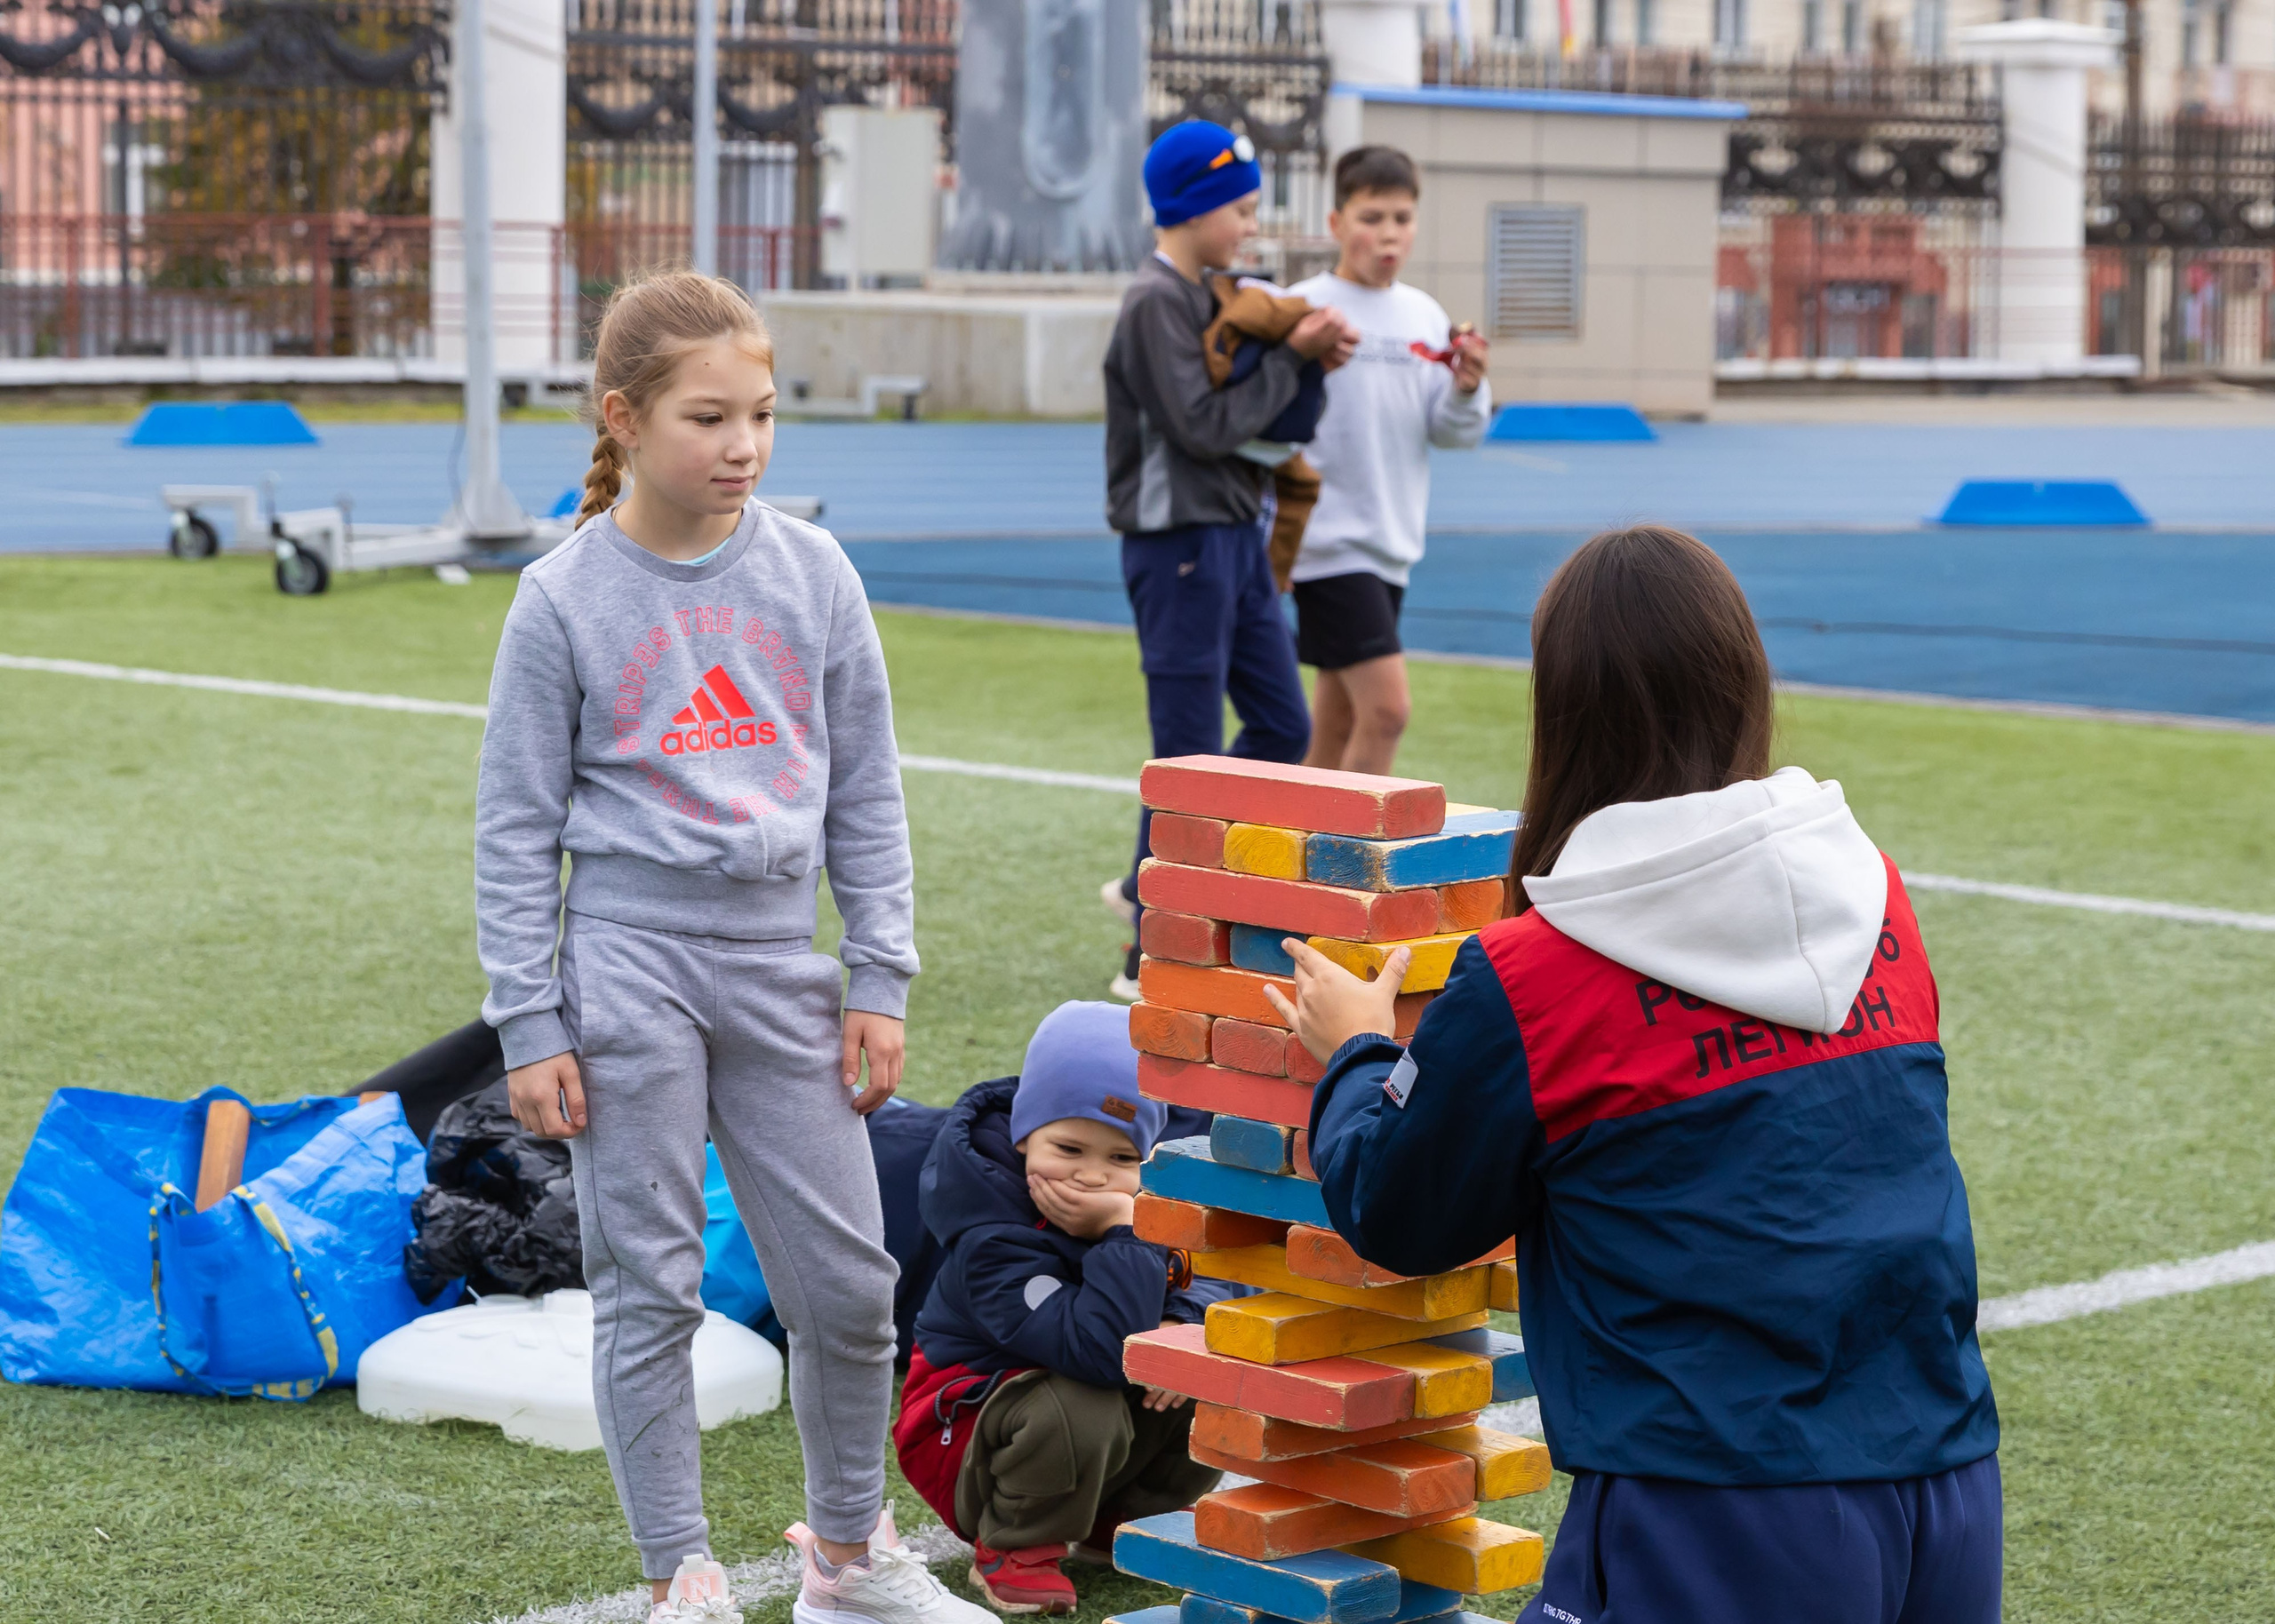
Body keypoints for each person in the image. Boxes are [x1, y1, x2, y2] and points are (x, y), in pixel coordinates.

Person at [1273, 527, 2002, 1624]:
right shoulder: (1877, 893)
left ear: (1565, 712)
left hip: (1724, 1505)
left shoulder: (1537, 971)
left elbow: (1401, 1206)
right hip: (1947, 1479)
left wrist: (1358, 1053)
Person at [475, 269, 993, 1624]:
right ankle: (678, 1575)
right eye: (710, 418)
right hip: (629, 963)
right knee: (649, 1284)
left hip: (782, 963)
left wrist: (878, 973)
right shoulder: (560, 598)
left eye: (762, 415)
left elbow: (867, 791)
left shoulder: (814, 571)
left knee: (851, 1285)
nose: (745, 447)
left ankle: (843, 1558)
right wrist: (531, 1021)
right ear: (624, 419)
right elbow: (517, 830)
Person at [1098, 119, 1358, 1000]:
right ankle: (1152, 948)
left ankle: (1155, 886)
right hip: (1177, 549)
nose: (1249, 224)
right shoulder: (1153, 302)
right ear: (1193, 207)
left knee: (1282, 727)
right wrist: (1291, 356)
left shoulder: (1209, 290)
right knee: (1187, 756)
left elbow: (1252, 416)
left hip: (1233, 540)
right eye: (1240, 207)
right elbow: (1203, 427)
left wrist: (1300, 363)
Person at [894, 1002, 1233, 1616]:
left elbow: (1220, 1276)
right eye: (1069, 1148)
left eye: (1122, 1159)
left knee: (1204, 1366)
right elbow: (1098, 1355)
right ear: (1025, 1134)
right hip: (961, 1436)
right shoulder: (991, 1232)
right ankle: (1014, 1544)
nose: (1092, 1178)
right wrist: (1126, 1235)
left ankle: (1123, 1521)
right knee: (1081, 1401)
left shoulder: (1151, 1199)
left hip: (1064, 1406)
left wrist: (1185, 1324)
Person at [1286, 146, 1492, 776]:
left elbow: (1453, 434)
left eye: (1401, 218)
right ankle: (1345, 869)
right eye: (1372, 217)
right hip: (1325, 544)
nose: (1388, 234)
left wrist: (1466, 388)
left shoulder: (1424, 315)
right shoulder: (1300, 306)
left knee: (1339, 723)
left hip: (1391, 545)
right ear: (1336, 223)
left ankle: (1287, 861)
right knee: (1387, 713)